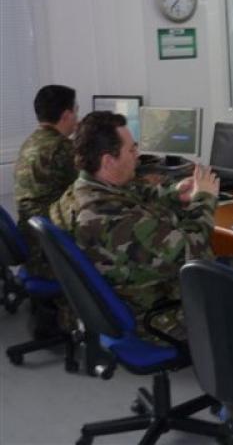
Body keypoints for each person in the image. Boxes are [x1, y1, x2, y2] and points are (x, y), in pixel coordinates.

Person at [50, 111, 219, 338]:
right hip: (154, 313)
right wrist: (205, 199)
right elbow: (191, 250)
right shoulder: (111, 216)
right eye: (131, 150)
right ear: (108, 161)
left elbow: (134, 193)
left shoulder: (80, 191)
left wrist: (175, 193)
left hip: (122, 296)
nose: (137, 156)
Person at [14, 84, 79, 279]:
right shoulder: (62, 147)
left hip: (32, 240)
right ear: (66, 115)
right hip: (49, 251)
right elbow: (92, 185)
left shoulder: (32, 141)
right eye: (76, 111)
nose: (77, 118)